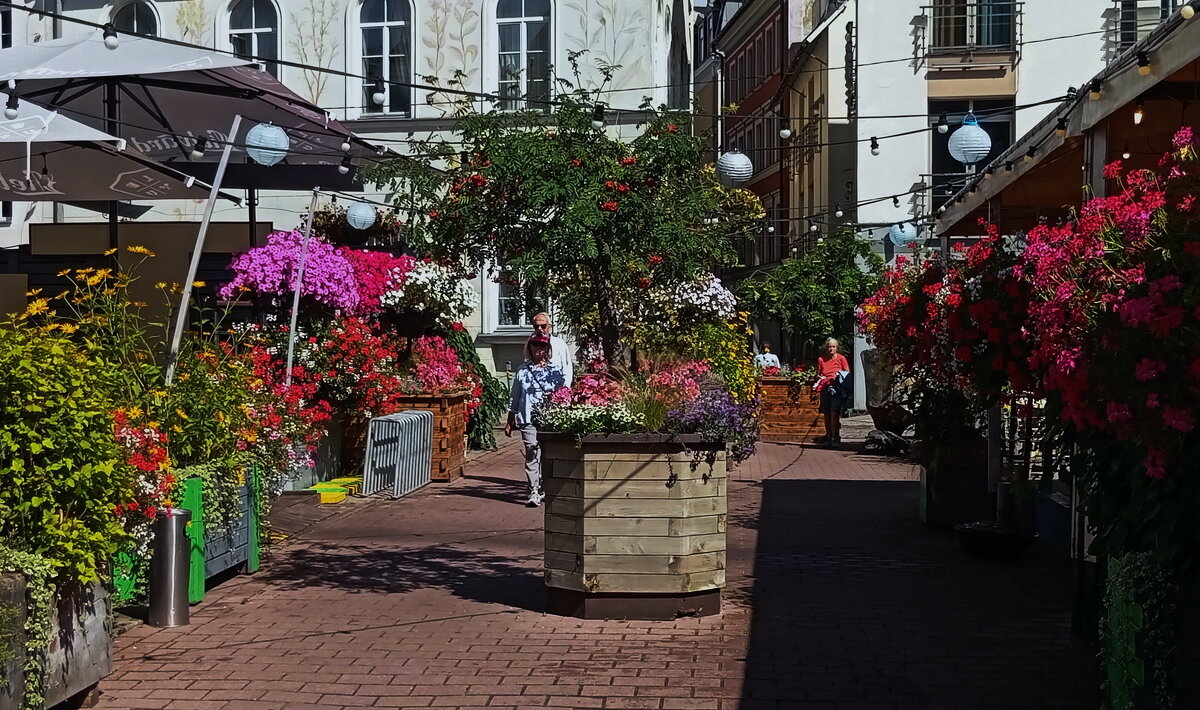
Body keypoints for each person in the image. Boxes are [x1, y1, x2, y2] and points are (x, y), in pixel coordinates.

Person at [504, 334, 566, 507]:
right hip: (528, 418)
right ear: (529, 348)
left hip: (548, 419)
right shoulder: (522, 370)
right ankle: (533, 490)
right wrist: (510, 420)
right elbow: (514, 397)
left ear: (548, 349)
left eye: (542, 345)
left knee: (548, 454)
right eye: (535, 345)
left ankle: (546, 487)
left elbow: (561, 395)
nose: (539, 348)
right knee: (532, 452)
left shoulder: (554, 371)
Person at [815, 337, 850, 446]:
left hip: (836, 388)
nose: (831, 349)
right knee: (826, 414)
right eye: (829, 347)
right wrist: (820, 377)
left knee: (834, 413)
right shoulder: (821, 359)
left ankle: (835, 437)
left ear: (837, 348)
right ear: (826, 348)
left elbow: (847, 372)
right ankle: (829, 437)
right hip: (825, 387)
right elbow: (818, 373)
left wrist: (838, 375)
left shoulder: (841, 358)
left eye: (833, 347)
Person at [532, 312, 573, 387]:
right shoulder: (531, 344)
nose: (539, 329)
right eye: (536, 326)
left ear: (549, 327)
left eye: (543, 326)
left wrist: (565, 389)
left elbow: (567, 368)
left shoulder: (559, 344)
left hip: (555, 390)